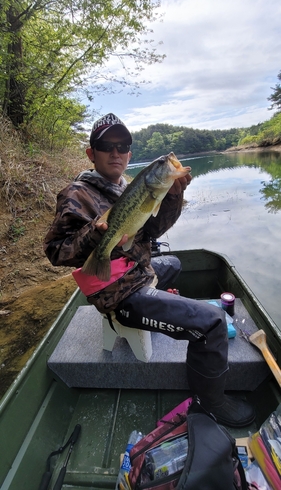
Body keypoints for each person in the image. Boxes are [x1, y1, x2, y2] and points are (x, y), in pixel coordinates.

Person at [44, 113, 255, 428]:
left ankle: (163, 307)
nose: (116, 152)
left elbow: (153, 230)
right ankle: (211, 402)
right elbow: (55, 252)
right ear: (91, 153)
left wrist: (173, 194)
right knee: (211, 323)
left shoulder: (127, 186)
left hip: (137, 272)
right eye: (106, 145)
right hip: (118, 295)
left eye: (123, 145)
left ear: (130, 153)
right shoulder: (76, 195)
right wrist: (94, 234)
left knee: (174, 263)